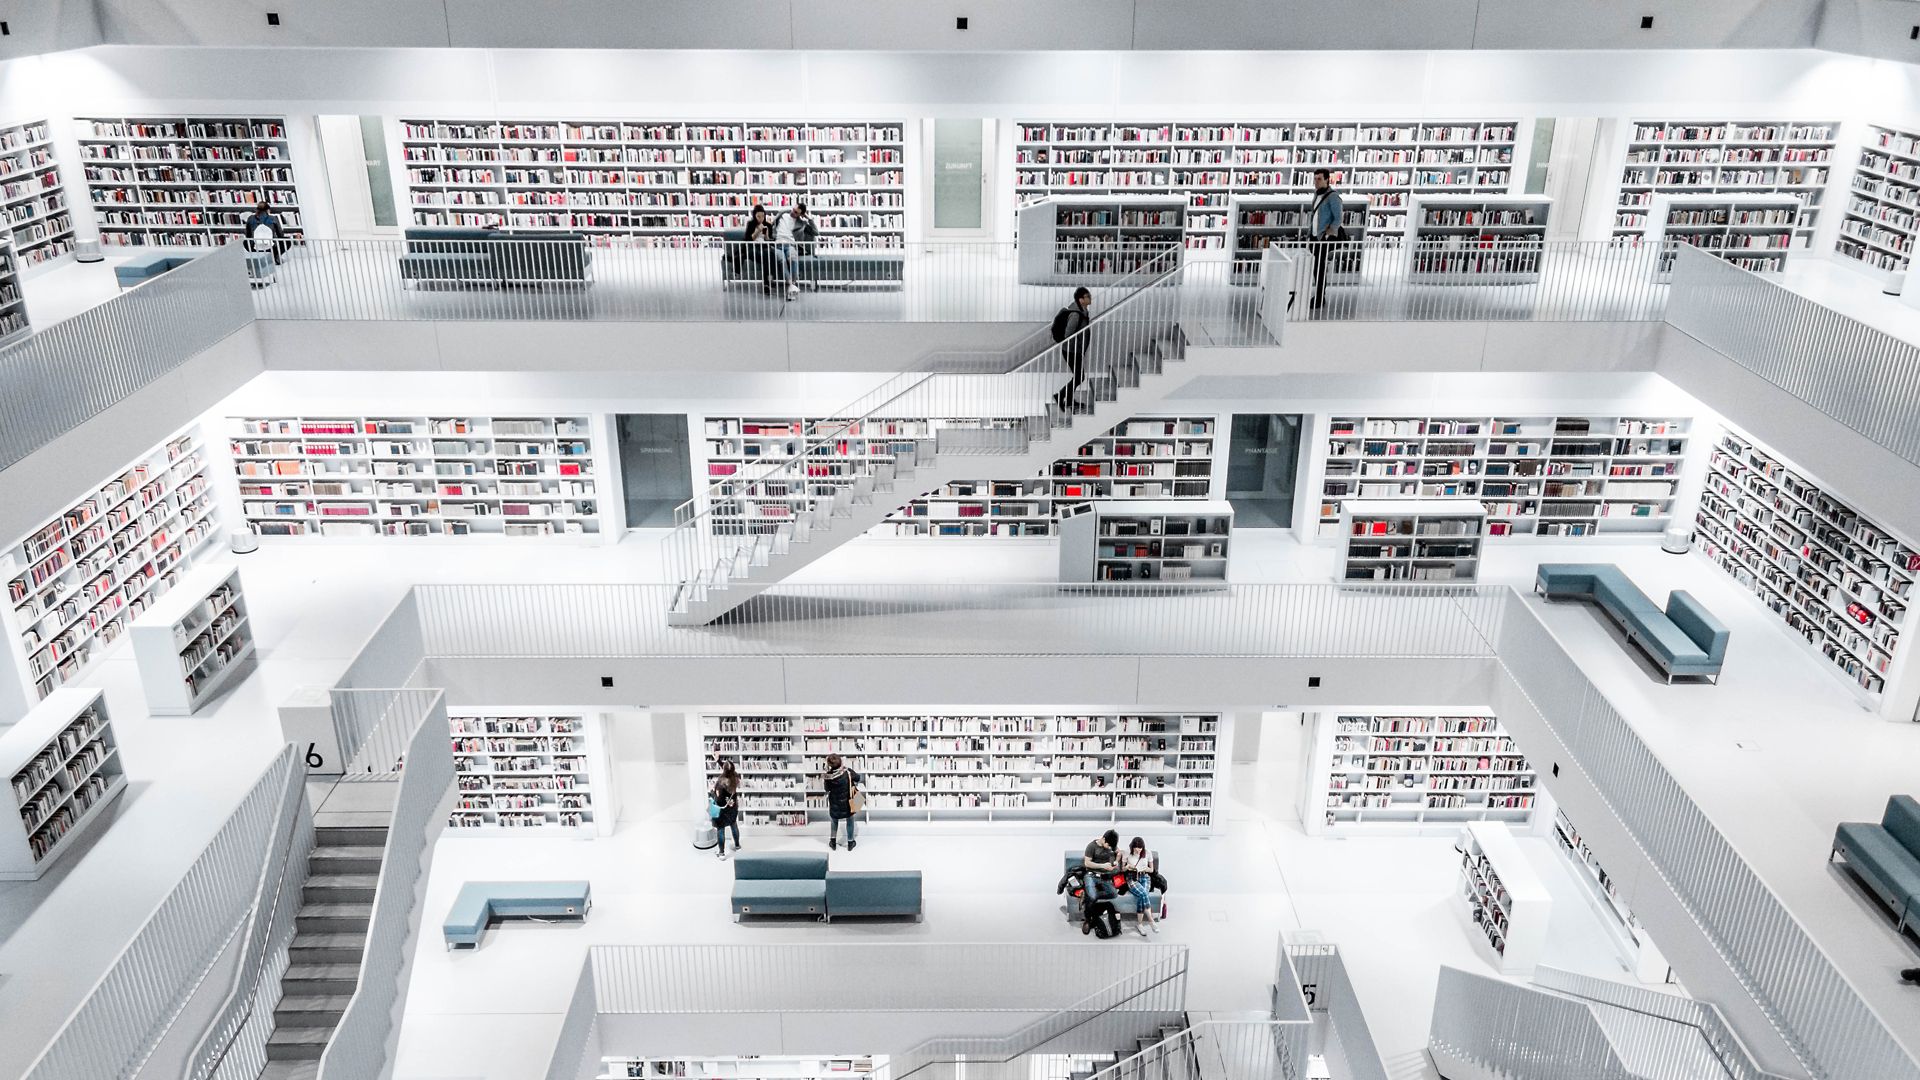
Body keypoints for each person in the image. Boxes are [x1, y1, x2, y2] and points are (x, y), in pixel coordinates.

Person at [1049, 287, 1093, 414]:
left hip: (1075, 350)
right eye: (1087, 296)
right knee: (1080, 377)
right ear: (1081, 300)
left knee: (1078, 376)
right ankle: (1060, 395)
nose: (1090, 297)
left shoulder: (1082, 311)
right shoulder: (1075, 314)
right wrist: (1078, 345)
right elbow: (1068, 334)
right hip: (1071, 351)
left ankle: (1068, 400)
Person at [1307, 168, 1344, 310]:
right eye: (1315, 179)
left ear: (1327, 180)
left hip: (1323, 238)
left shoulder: (1333, 197)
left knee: (1320, 268)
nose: (1316, 182)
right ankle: (1318, 295)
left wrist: (1328, 234)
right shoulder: (1317, 195)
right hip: (1316, 237)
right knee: (1317, 268)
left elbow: (1338, 218)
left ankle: (1319, 297)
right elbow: (1314, 216)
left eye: (1319, 179)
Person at [774, 203, 816, 300]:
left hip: (790, 245)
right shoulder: (782, 215)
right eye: (793, 209)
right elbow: (772, 223)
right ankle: (791, 286)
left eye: (796, 212)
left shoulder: (801, 223)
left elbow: (815, 232)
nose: (793, 212)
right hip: (778, 244)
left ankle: (792, 285)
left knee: (793, 258)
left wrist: (808, 218)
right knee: (782, 260)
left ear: (800, 215)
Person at [823, 752, 864, 850]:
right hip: (848, 802)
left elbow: (827, 789)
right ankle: (850, 843)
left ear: (829, 765)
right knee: (850, 820)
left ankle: (833, 842)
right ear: (841, 762)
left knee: (834, 820)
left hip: (834, 803)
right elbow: (858, 778)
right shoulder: (848, 772)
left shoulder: (828, 776)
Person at [1123, 837, 1160, 936]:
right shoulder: (1127, 852)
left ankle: (1139, 924)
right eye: (1136, 848)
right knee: (1144, 894)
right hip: (1132, 877)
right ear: (1132, 846)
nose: (1138, 850)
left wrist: (1145, 868)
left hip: (1145, 877)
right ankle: (1151, 921)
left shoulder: (1148, 853)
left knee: (1142, 895)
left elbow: (1152, 870)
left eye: (1140, 848)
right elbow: (1122, 869)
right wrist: (1127, 867)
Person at [743, 204, 777, 295]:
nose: (761, 218)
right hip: (752, 247)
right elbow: (747, 240)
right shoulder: (750, 224)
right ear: (754, 216)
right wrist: (757, 231)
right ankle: (768, 281)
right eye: (758, 216)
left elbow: (769, 240)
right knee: (764, 256)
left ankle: (768, 282)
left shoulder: (768, 225)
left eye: (763, 216)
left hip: (763, 246)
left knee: (770, 254)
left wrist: (767, 237)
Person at [711, 761, 741, 859]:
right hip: (733, 808)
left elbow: (719, 800)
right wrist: (718, 760)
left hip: (722, 811)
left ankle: (721, 853)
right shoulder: (736, 777)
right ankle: (737, 846)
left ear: (724, 771)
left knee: (720, 830)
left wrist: (712, 792)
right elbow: (728, 771)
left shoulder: (720, 782)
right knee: (734, 825)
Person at [1081, 828, 1121, 903]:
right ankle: (1091, 896)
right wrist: (1103, 866)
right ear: (1103, 839)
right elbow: (1087, 863)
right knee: (1092, 897)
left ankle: (1087, 895)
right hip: (1091, 875)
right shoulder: (1091, 846)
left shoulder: (1111, 845)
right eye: (1108, 845)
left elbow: (1119, 853)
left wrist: (1116, 861)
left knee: (1114, 894)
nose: (1110, 848)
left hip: (1105, 877)